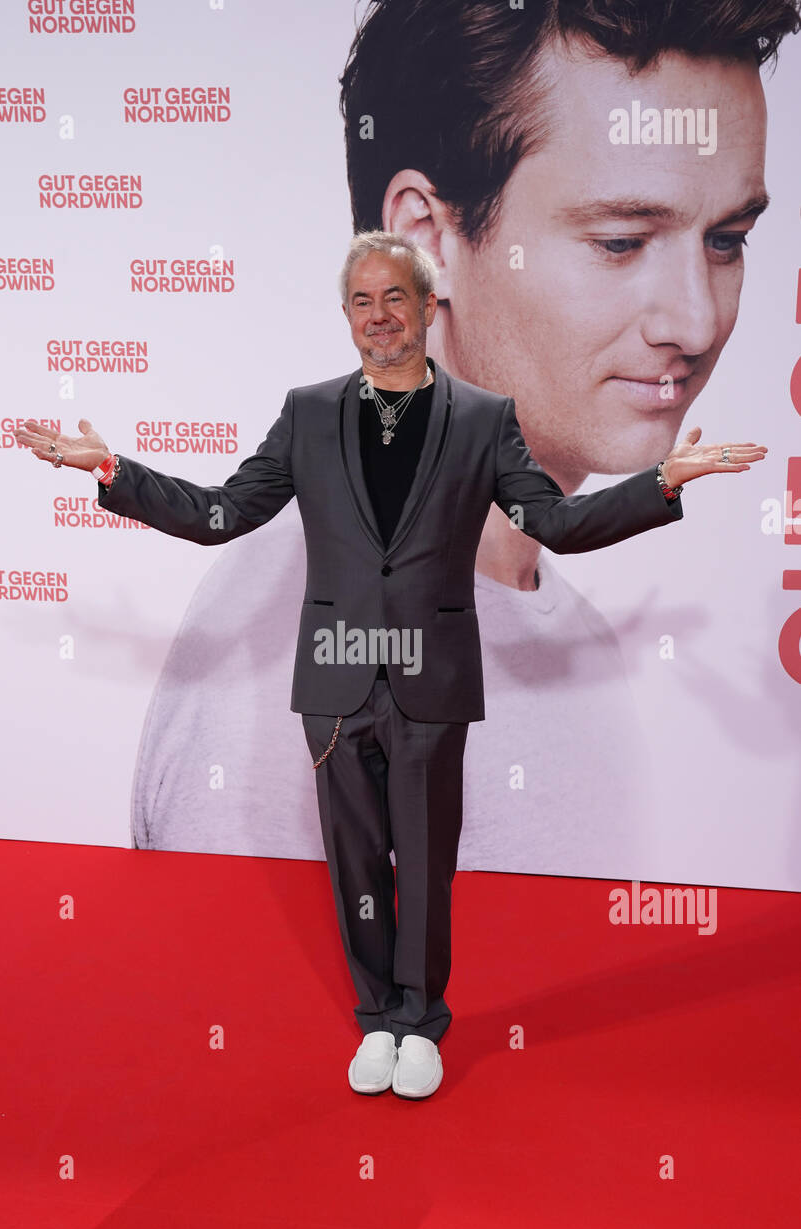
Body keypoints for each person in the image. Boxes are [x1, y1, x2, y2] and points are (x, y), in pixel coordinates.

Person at [14, 231, 766, 1098]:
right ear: (347, 318)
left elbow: (553, 526)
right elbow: (222, 512)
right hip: (334, 681)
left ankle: (423, 1020)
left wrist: (662, 482)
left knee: (425, 856)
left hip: (431, 678)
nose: (380, 318)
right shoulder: (307, 412)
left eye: (395, 299)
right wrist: (112, 470)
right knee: (356, 861)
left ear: (424, 307)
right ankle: (377, 1018)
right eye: (362, 303)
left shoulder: (484, 419)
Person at [121, 0, 798, 881]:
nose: (697, 321)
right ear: (424, 243)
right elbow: (232, 1009)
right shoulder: (282, 642)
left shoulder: (576, 632)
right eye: (622, 241)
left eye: (727, 240)